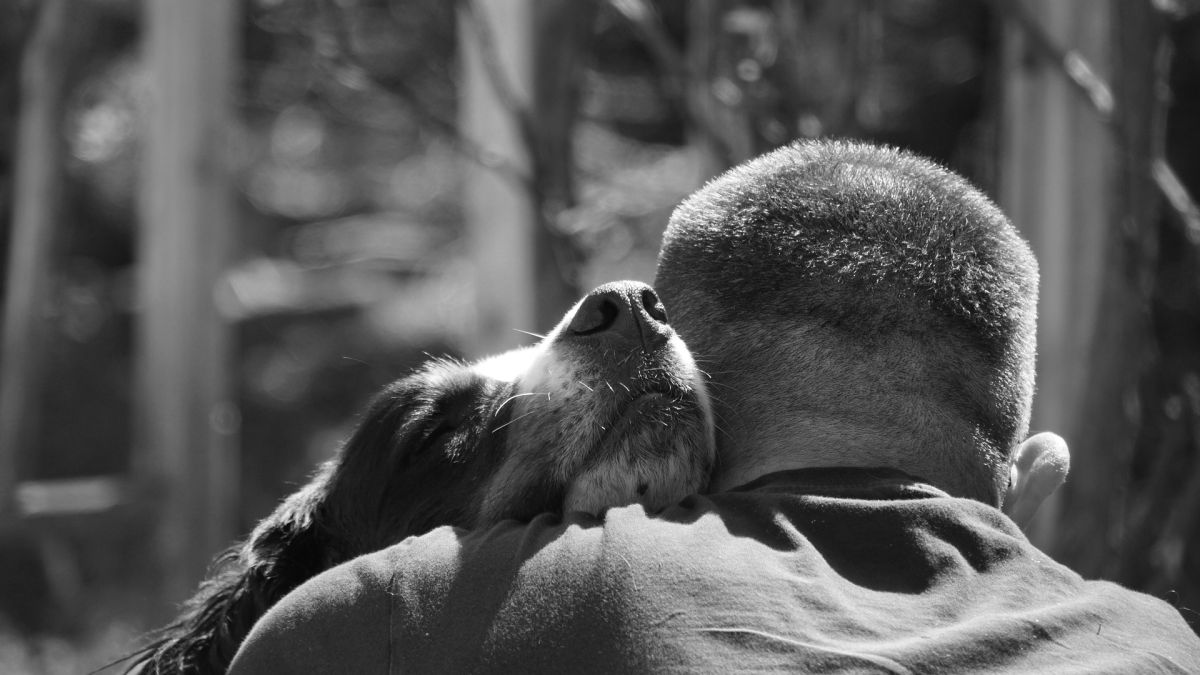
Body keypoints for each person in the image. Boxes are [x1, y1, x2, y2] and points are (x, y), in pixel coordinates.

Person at [228, 140, 1200, 673]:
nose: (617, 313)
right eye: (441, 435)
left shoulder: (375, 626)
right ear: (1031, 497)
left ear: (718, 434)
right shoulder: (1158, 647)